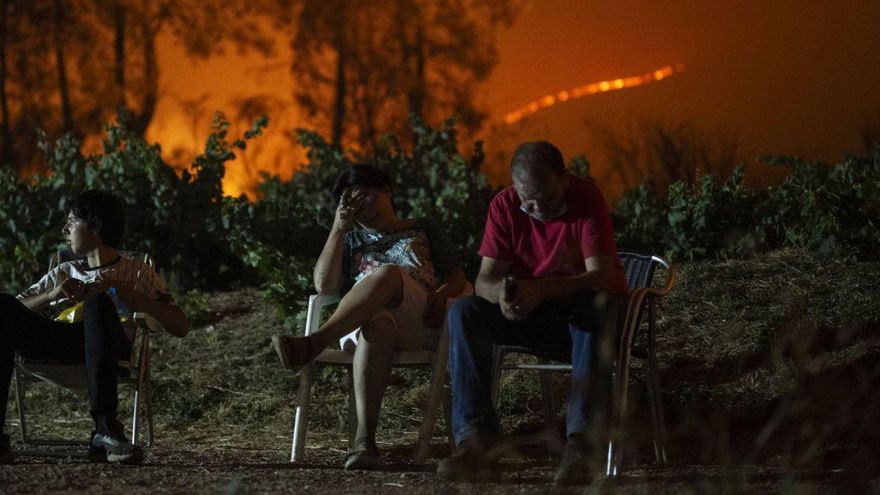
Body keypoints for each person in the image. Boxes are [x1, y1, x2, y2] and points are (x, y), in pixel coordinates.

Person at [436, 141, 628, 485]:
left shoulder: (587, 199)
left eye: (546, 199)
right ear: (515, 187)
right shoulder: (505, 206)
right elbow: (484, 281)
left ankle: (582, 444)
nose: (537, 209)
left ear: (565, 180)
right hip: (530, 315)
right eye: (529, 201)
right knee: (465, 312)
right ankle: (476, 441)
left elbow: (602, 276)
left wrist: (542, 289)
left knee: (597, 305)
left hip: (581, 319)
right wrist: (505, 298)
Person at [272, 163, 466, 470]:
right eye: (353, 203)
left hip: (421, 316)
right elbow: (324, 285)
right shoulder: (349, 242)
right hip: (366, 323)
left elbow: (456, 275)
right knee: (377, 324)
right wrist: (339, 226)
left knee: (387, 273)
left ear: (386, 192)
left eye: (367, 197)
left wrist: (442, 296)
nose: (363, 208)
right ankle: (364, 444)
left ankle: (315, 343)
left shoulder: (422, 227)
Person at [0, 190, 190, 465]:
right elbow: (14, 312)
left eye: (72, 222)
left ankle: (105, 428)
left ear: (95, 228)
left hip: (109, 348)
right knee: (3, 305)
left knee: (98, 302)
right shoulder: (64, 272)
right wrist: (52, 295)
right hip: (62, 344)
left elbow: (180, 326)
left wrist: (130, 295)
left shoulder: (137, 272)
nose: (65, 229)